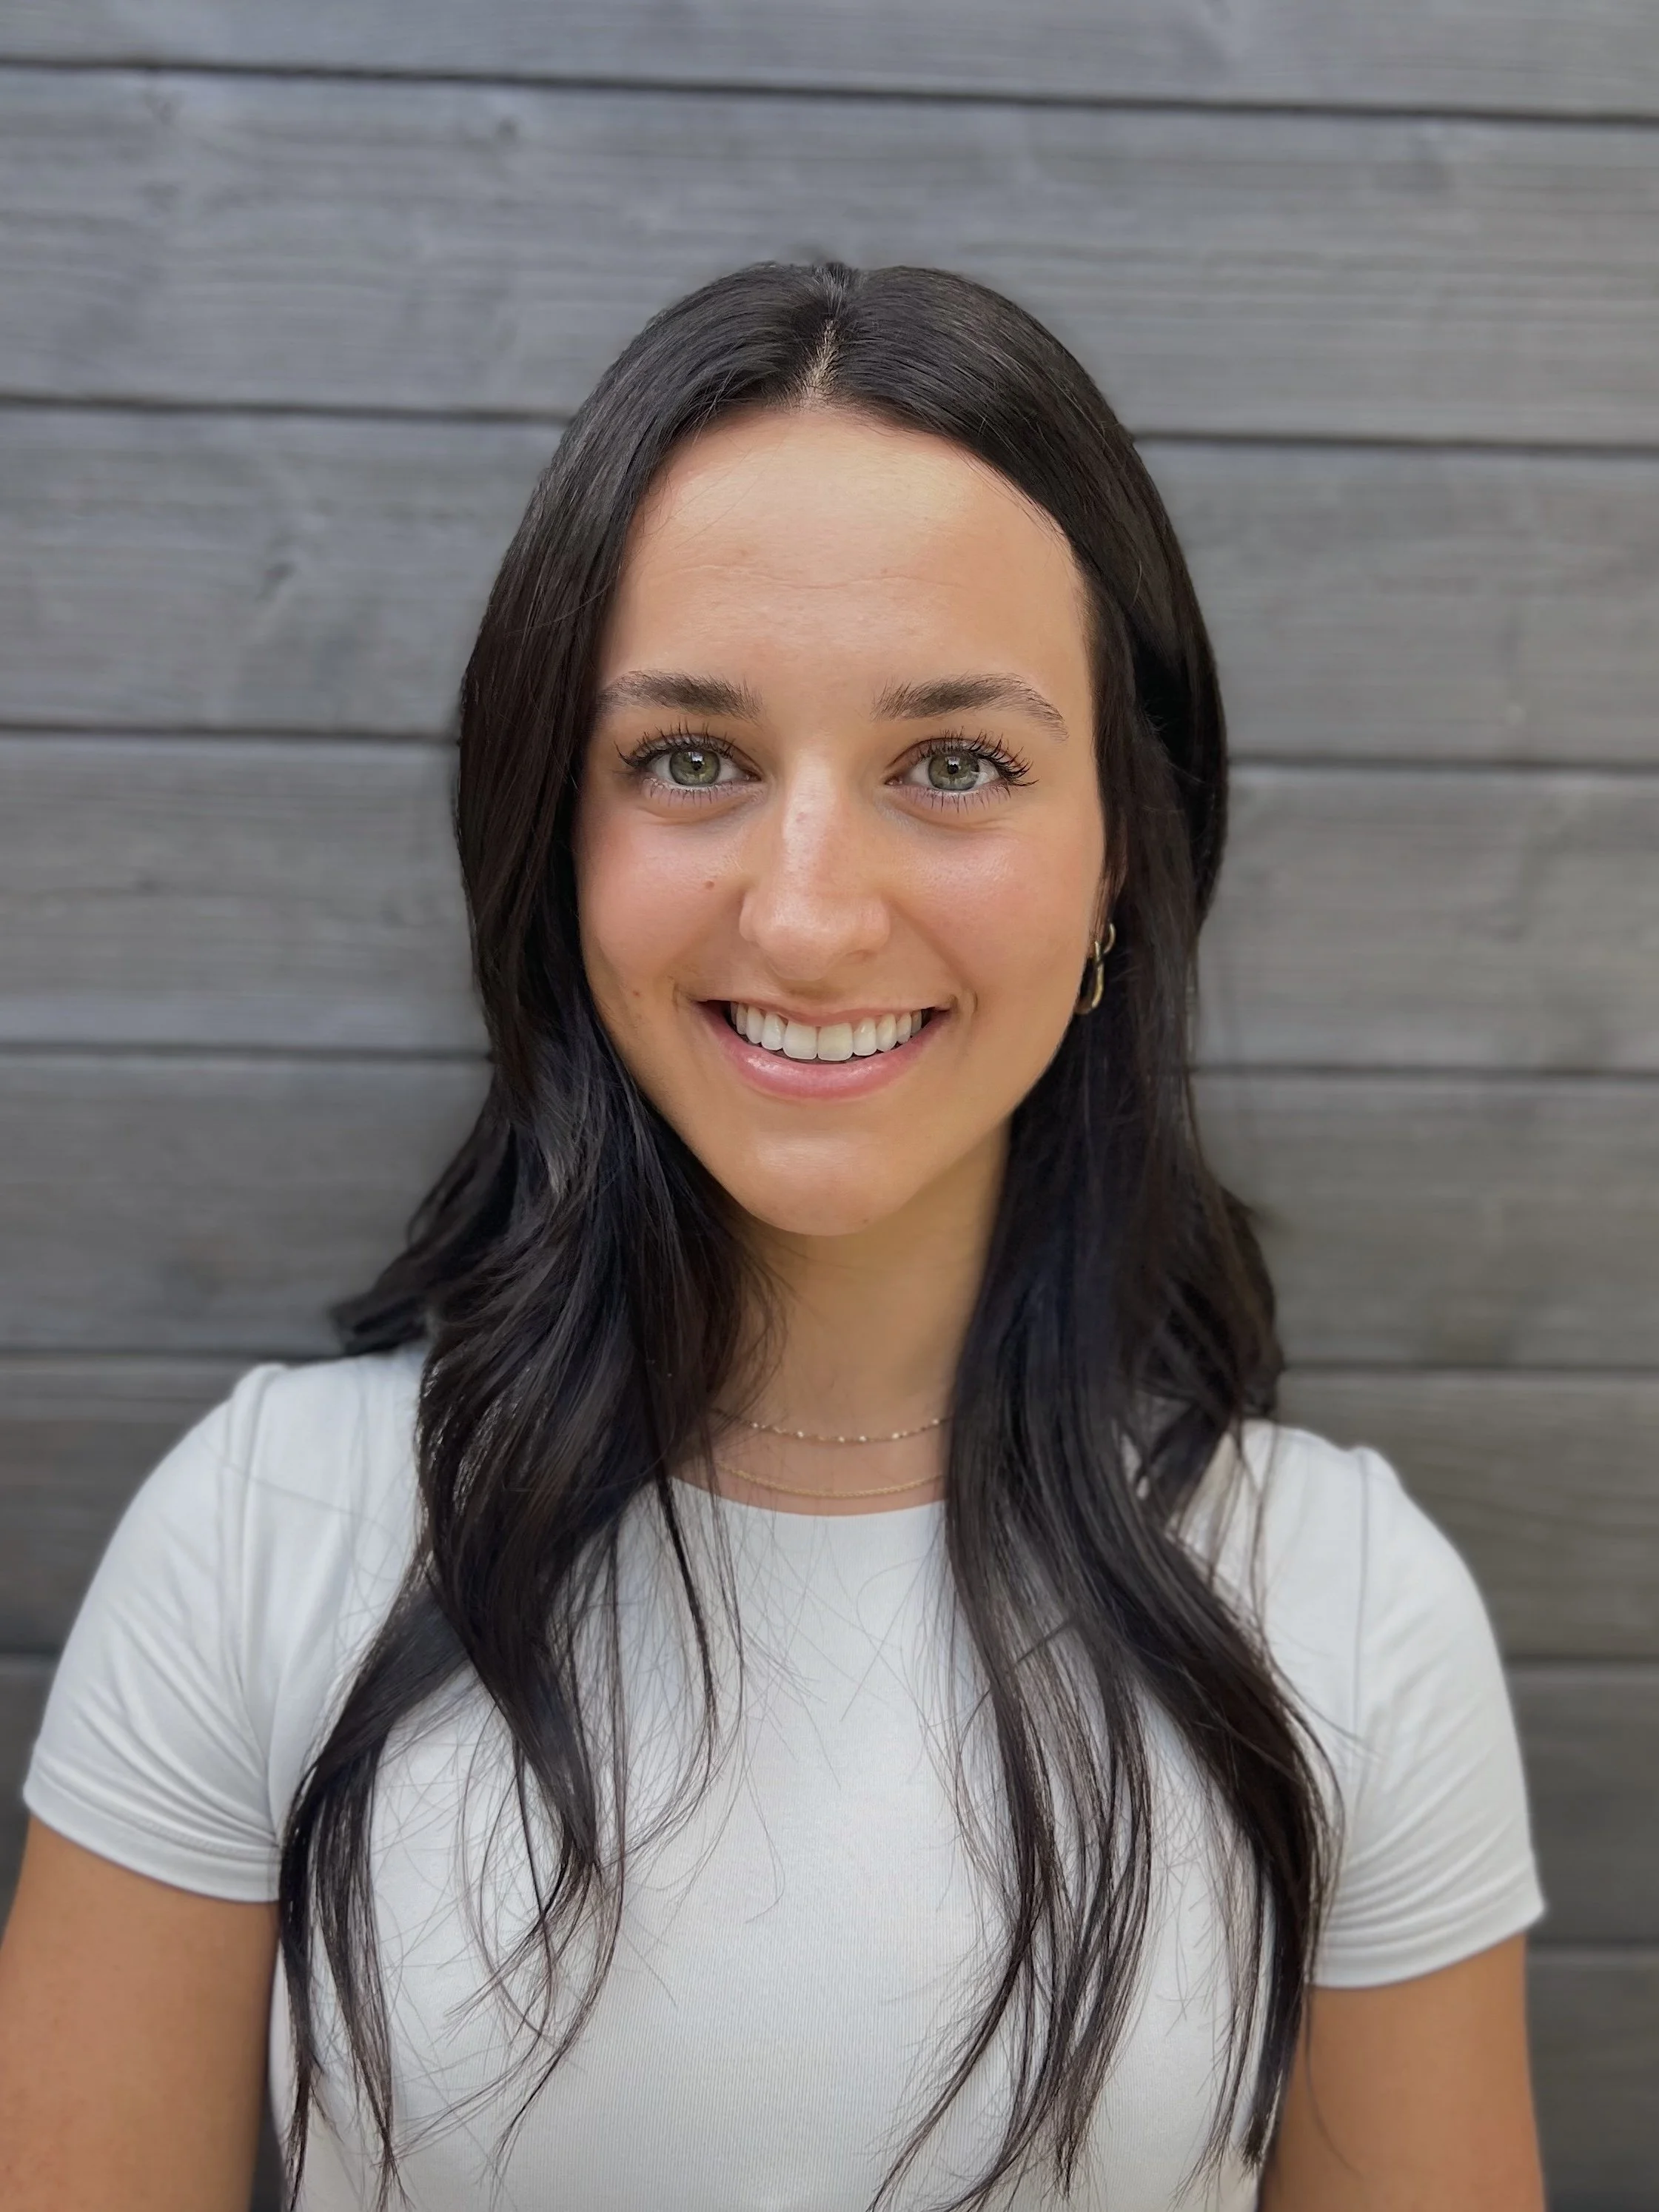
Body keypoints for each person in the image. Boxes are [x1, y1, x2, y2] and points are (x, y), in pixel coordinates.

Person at [0, 262, 1546, 2211]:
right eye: (691, 759)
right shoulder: (260, 1540)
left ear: (1118, 858)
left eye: (956, 763)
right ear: (561, 836)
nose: (810, 917)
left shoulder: (1346, 1606)